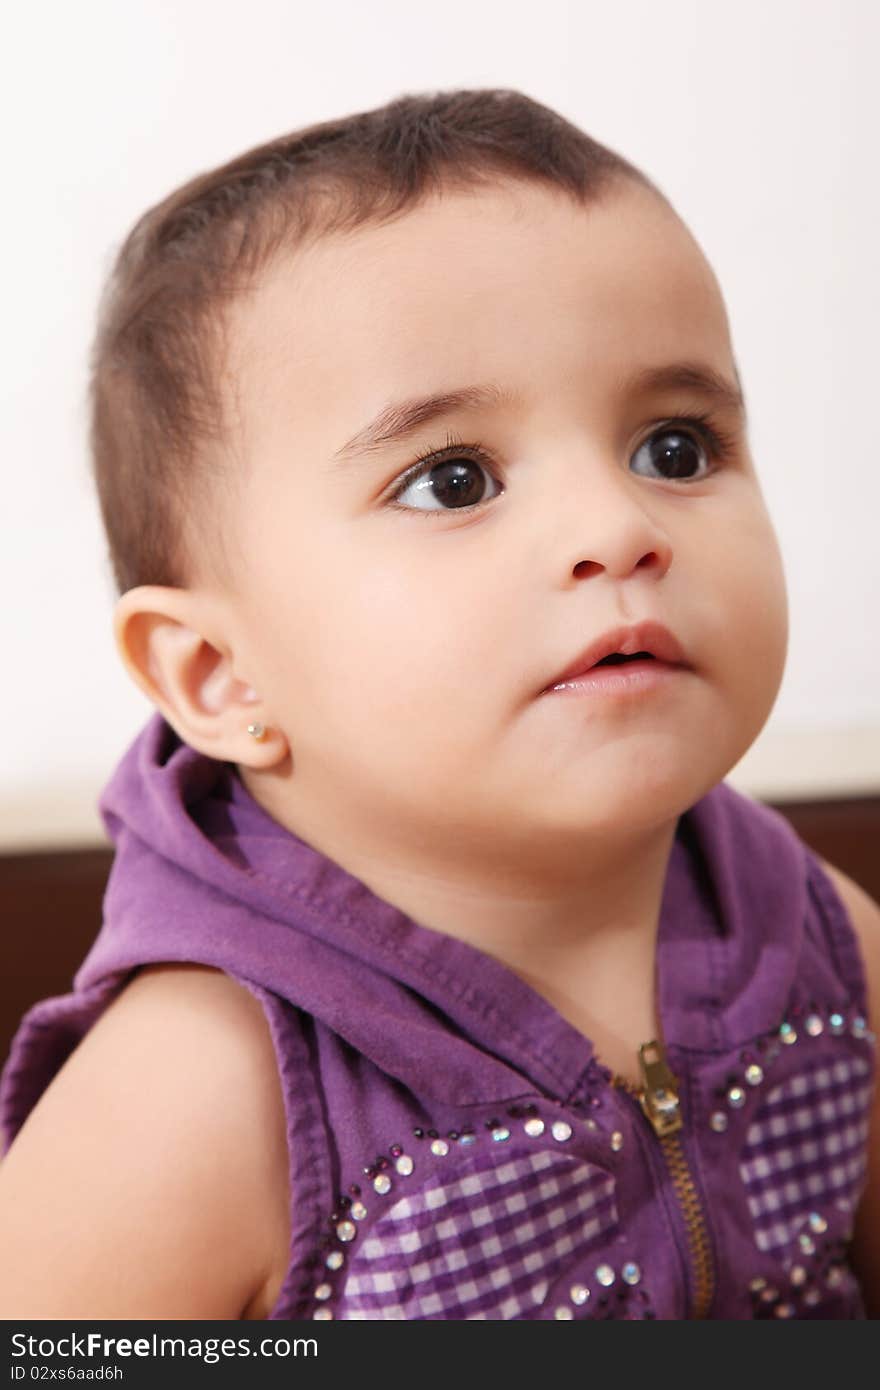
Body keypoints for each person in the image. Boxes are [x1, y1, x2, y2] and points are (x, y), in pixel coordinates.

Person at [0, 87, 877, 1321]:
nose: (616, 528)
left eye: (675, 448)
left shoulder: (804, 928)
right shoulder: (204, 1088)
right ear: (221, 677)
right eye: (452, 479)